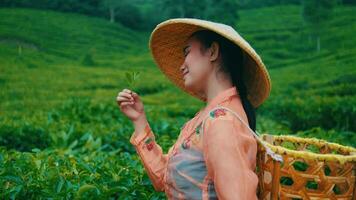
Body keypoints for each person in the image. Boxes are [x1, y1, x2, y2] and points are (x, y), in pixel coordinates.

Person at [116, 18, 272, 199]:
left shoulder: (222, 121)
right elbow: (164, 178)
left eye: (187, 52)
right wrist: (139, 119)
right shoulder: (208, 116)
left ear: (213, 51)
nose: (182, 65)